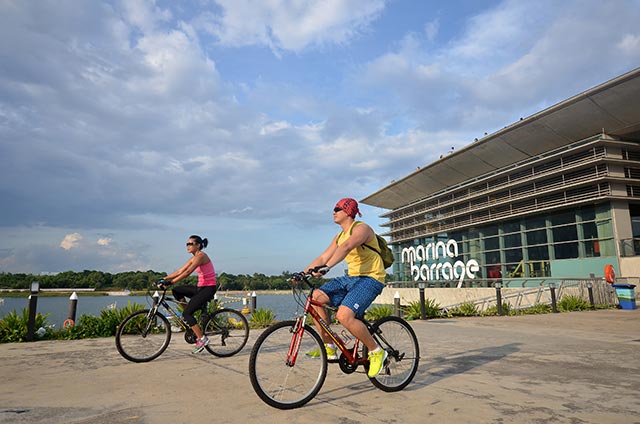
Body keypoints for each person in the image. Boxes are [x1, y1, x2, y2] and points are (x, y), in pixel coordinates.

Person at [303, 197, 388, 378]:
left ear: (348, 211)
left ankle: (376, 351)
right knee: (316, 298)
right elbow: (324, 256)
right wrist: (303, 273)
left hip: (371, 278)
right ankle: (330, 345)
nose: (333, 212)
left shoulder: (362, 229)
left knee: (343, 315)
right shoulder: (339, 236)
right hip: (351, 278)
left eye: (337, 208)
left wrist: (327, 267)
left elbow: (348, 246)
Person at [158, 235, 217, 354]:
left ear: (198, 245)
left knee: (187, 312)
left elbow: (188, 272)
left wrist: (171, 282)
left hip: (209, 288)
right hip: (200, 288)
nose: (188, 246)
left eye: (190, 244)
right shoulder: (194, 257)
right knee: (177, 290)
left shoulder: (201, 256)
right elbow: (180, 271)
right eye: (187, 244)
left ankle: (202, 339)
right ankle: (188, 315)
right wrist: (163, 279)